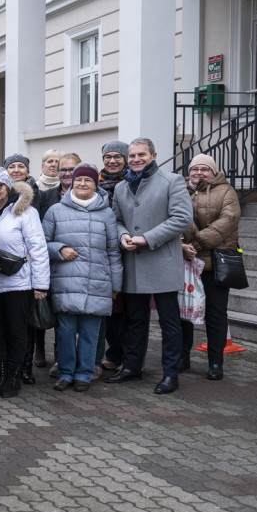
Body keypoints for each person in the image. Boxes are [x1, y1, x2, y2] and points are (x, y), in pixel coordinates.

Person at [108, 138, 193, 395]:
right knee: (135, 320)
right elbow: (117, 219)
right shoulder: (122, 187)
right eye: (132, 155)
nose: (136, 159)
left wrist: (147, 238)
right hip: (133, 262)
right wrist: (122, 236)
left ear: (153, 155)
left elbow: (182, 218)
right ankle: (132, 367)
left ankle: (170, 373)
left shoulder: (172, 181)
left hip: (162, 262)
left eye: (141, 154)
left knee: (169, 322)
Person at [42, 164, 122, 392]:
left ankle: (84, 374)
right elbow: (41, 244)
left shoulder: (106, 213)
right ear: (71, 183)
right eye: (78, 180)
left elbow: (113, 252)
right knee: (65, 332)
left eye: (88, 180)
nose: (82, 184)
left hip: (97, 282)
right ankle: (66, 373)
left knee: (91, 333)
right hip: (66, 282)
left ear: (96, 184)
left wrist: (116, 285)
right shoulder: (56, 211)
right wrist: (59, 249)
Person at [0, 167, 50, 398]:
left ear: (8, 187)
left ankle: (13, 377)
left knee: (17, 331)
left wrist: (40, 284)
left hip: (18, 283)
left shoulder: (24, 212)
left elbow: (38, 249)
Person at [180, 153, 240, 381]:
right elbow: (174, 219)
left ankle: (216, 362)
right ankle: (181, 358)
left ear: (213, 172)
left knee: (215, 315)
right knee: (182, 313)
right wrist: (181, 246)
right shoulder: (181, 190)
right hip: (185, 263)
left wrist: (195, 243)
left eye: (204, 169)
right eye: (195, 169)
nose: (198, 173)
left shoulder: (226, 191)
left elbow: (228, 221)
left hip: (213, 264)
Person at [3, 153, 43, 379]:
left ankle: (25, 366)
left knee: (25, 323)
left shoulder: (38, 194)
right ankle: (8, 364)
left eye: (21, 166)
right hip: (2, 268)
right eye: (12, 167)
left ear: (27, 170)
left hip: (26, 266)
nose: (16, 170)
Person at [96, 140, 129, 371]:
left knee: (125, 307)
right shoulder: (94, 183)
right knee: (108, 306)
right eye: (108, 156)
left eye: (118, 156)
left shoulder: (132, 182)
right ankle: (113, 351)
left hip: (127, 249)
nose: (112, 161)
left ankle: (124, 353)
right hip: (102, 252)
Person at [38, 152, 80, 220]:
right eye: (63, 170)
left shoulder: (89, 195)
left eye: (71, 169)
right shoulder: (46, 196)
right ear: (58, 172)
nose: (67, 174)